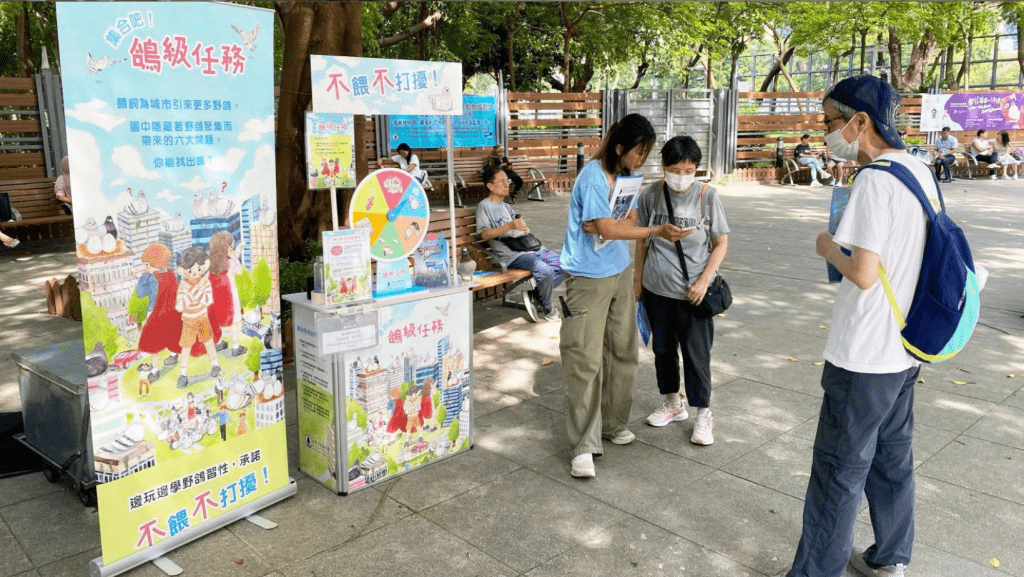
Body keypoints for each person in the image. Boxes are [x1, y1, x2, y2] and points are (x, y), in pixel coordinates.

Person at [776, 75, 937, 577]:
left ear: (860, 121)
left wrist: (827, 246)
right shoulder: (918, 170)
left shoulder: (874, 181)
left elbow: (864, 273)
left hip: (864, 353)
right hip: (906, 347)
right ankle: (891, 558)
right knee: (891, 460)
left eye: (830, 122)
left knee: (837, 472)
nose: (826, 131)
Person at [559, 113, 688, 479]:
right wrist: (650, 231)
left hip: (617, 271)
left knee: (623, 350)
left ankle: (612, 424)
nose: (642, 159)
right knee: (584, 358)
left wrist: (615, 228)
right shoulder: (592, 177)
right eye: (638, 151)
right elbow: (608, 227)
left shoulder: (629, 176)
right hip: (587, 276)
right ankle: (584, 446)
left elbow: (623, 225)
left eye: (647, 152)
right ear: (620, 147)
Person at [635, 135, 729, 445]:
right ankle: (673, 404)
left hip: (693, 294)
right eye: (675, 168)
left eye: (689, 169)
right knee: (662, 350)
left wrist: (704, 281)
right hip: (656, 289)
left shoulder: (706, 196)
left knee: (695, 355)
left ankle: (703, 414)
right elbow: (642, 239)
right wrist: (638, 281)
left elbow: (720, 242)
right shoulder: (650, 195)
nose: (682, 176)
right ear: (663, 167)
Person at [476, 164, 563, 322]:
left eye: (507, 180)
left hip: (529, 248)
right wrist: (510, 226)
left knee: (565, 265)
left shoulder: (506, 206)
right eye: (502, 181)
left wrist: (523, 229)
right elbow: (485, 235)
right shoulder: (484, 206)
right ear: (490, 185)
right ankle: (548, 307)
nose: (507, 184)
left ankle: (534, 296)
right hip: (513, 254)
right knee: (546, 271)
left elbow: (516, 229)